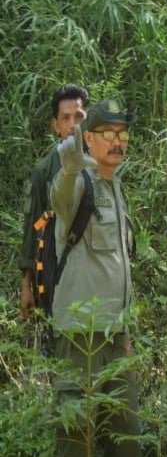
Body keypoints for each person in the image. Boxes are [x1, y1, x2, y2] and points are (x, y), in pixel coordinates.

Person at [50, 100, 140, 457]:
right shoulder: (79, 183)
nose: (116, 142)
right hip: (80, 341)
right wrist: (70, 169)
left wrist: (128, 334)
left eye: (122, 134)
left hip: (117, 340)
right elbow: (60, 197)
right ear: (89, 139)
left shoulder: (116, 188)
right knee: (76, 451)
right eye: (108, 134)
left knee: (128, 445)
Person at [19, 83, 89, 323]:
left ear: (88, 119)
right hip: (56, 267)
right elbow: (33, 226)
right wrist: (26, 285)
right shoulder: (44, 171)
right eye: (65, 118)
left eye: (78, 116)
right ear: (56, 126)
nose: (73, 125)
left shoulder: (102, 165)